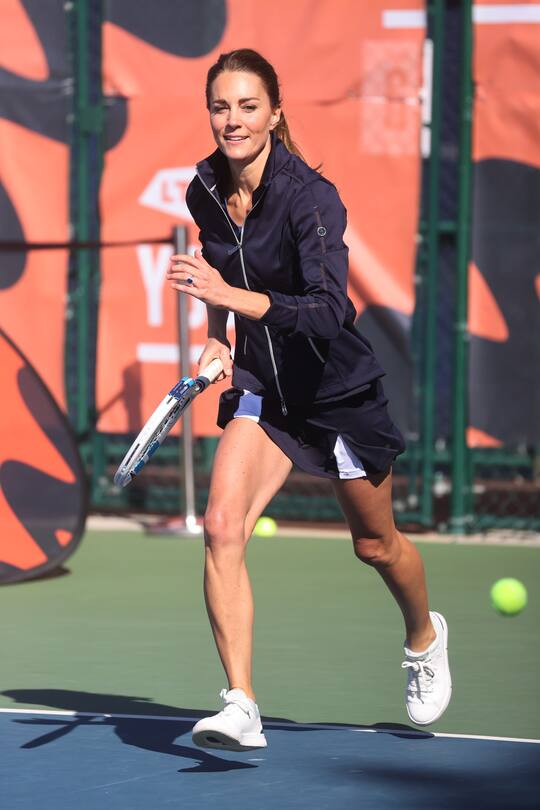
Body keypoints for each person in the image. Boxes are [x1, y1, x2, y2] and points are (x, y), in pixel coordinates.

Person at [167, 48, 451, 752]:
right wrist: (216, 337)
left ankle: (424, 634)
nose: (231, 121)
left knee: (375, 545)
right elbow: (214, 269)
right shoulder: (204, 187)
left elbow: (326, 312)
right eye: (220, 107)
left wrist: (232, 301)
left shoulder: (310, 198)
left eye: (247, 107)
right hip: (266, 391)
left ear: (275, 114)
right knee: (222, 527)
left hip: (334, 390)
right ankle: (241, 703)